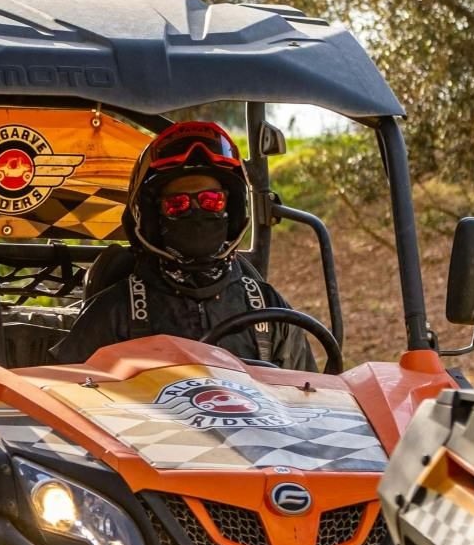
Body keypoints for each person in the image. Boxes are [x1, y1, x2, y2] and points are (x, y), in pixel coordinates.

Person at [54, 120, 315, 369]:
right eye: (177, 204)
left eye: (211, 200)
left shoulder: (268, 309)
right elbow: (62, 401)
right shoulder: (115, 311)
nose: (196, 212)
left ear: (232, 209)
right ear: (152, 217)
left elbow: (311, 400)